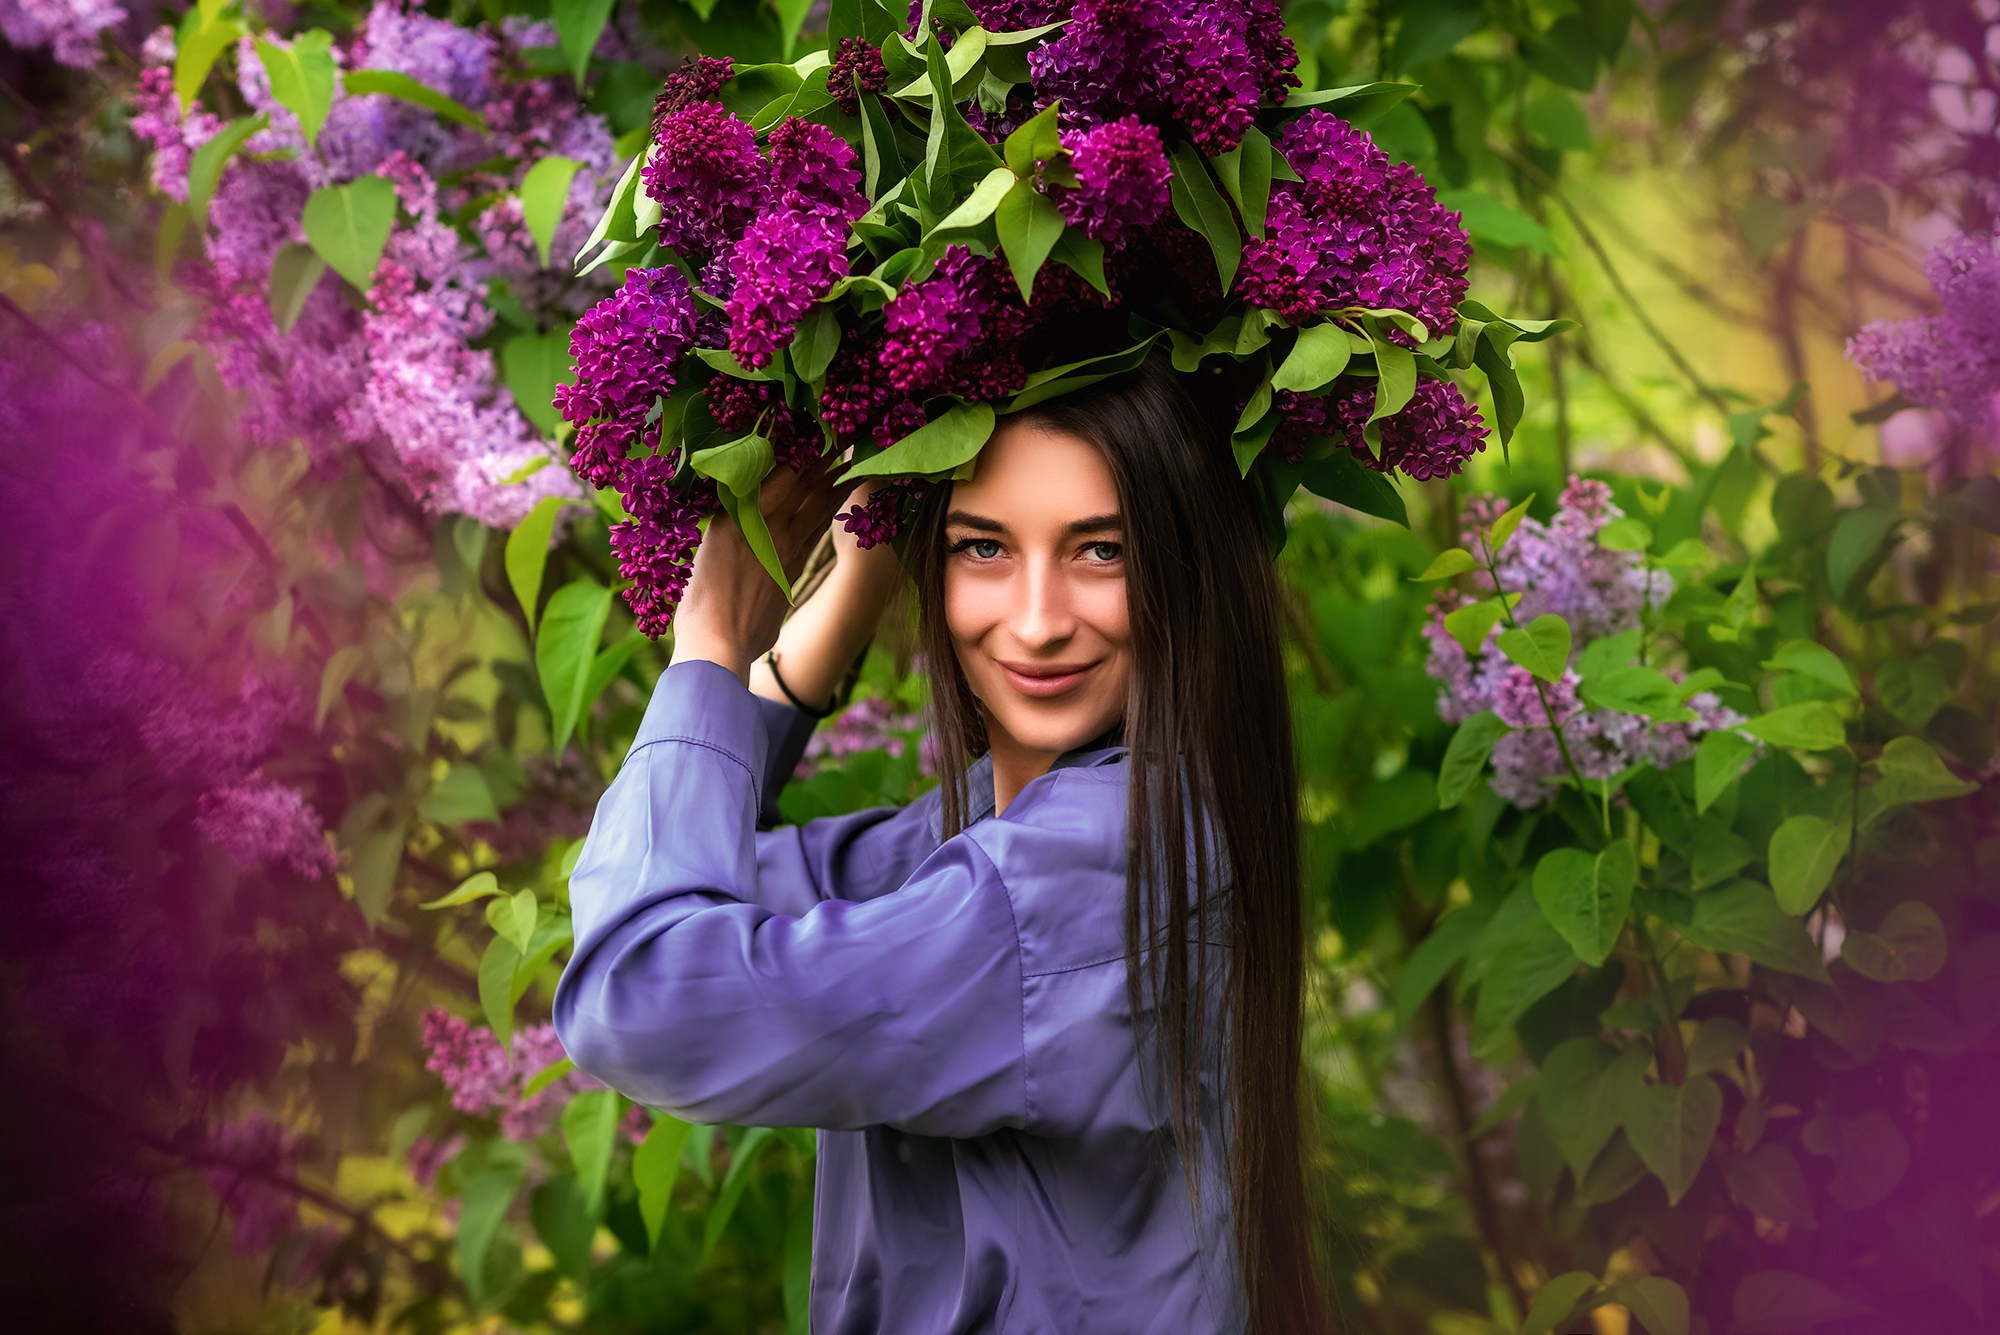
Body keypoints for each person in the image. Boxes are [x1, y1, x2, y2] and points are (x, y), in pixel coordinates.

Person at [552, 353, 1333, 1334]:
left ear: (1183, 570)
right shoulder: (1002, 833)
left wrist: (711, 645)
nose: (1038, 623)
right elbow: (689, 880)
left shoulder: (1079, 869)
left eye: (1101, 551)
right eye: (982, 548)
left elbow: (638, 995)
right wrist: (839, 605)